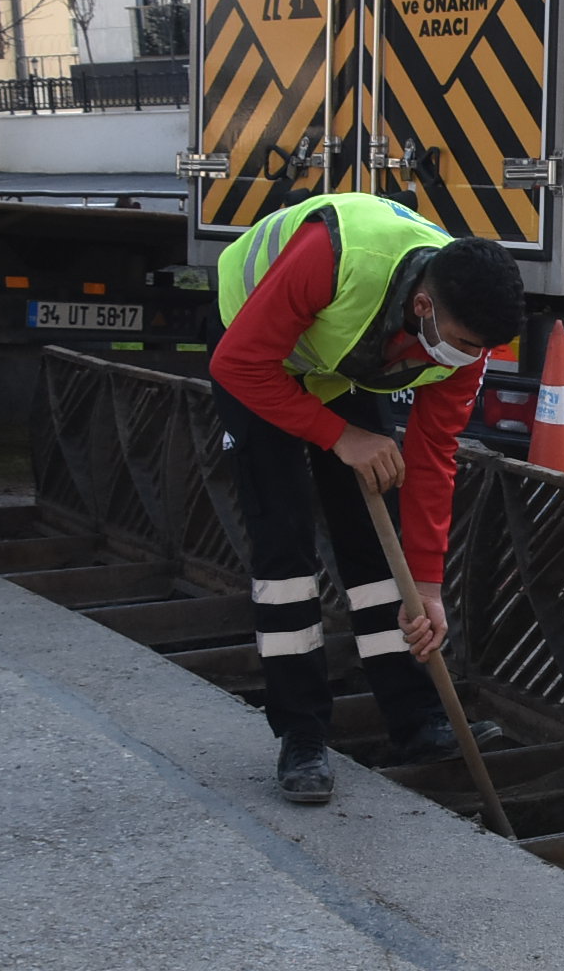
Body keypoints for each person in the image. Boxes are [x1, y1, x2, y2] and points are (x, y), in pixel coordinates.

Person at [209, 191, 529, 805]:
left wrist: (428, 588)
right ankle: (301, 736)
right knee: (284, 545)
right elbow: (238, 365)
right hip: (253, 347)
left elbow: (433, 458)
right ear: (423, 304)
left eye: (479, 349)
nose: (468, 358)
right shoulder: (334, 257)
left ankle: (415, 720)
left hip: (336, 360)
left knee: (372, 542)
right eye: (461, 342)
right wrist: (340, 435)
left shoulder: (464, 346)